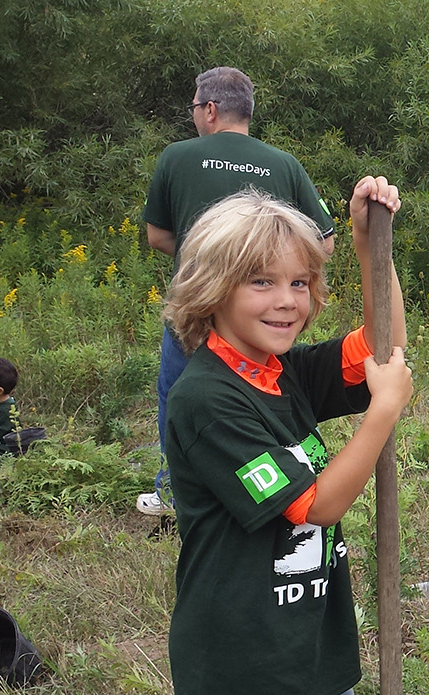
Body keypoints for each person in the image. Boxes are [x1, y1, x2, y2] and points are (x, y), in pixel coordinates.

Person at [161, 177, 411, 695]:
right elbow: (317, 505)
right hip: (242, 655)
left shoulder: (283, 372)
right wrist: (381, 416)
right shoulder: (208, 398)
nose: (287, 300)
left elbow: (382, 349)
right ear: (211, 290)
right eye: (261, 282)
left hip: (308, 639)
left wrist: (369, 250)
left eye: (300, 282)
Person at [140, 66, 337, 517]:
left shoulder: (177, 156)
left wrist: (212, 267)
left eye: (194, 107)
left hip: (197, 307)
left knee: (180, 397)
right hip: (261, 317)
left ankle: (176, 493)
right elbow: (323, 241)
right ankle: (272, 473)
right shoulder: (284, 162)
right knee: (263, 393)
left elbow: (157, 236)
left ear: (209, 109)